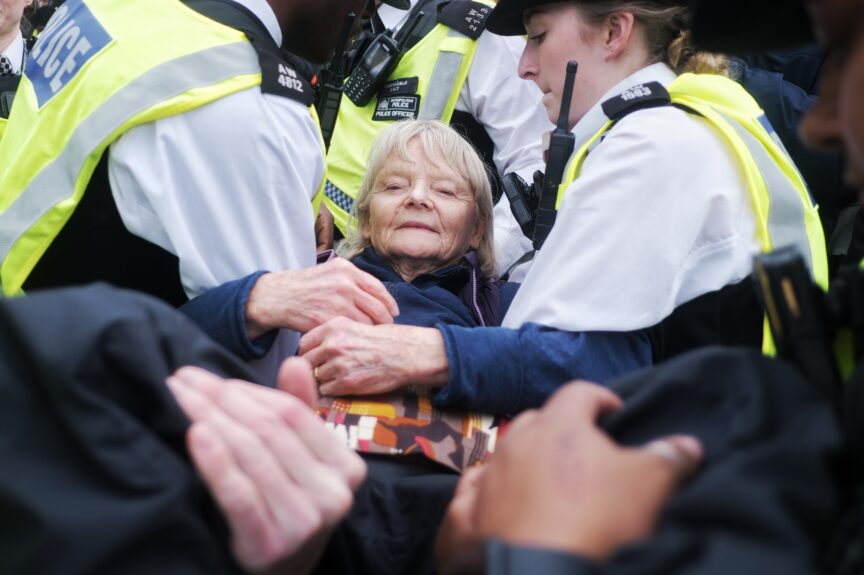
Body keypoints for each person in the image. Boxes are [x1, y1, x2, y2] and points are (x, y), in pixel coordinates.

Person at [298, 0, 828, 417]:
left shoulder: (653, 144)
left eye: (537, 36)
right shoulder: (665, 123)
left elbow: (590, 364)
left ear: (615, 33)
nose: (525, 67)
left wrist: (416, 352)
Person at [0, 0, 398, 380]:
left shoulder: (113, 9)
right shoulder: (250, 104)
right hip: (71, 411)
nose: (367, 10)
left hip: (28, 350)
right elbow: (271, 374)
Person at [320, 0, 553, 279]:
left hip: (433, 284)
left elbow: (533, 164)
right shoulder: (343, 22)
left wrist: (476, 266)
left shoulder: (482, 27)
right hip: (337, 264)